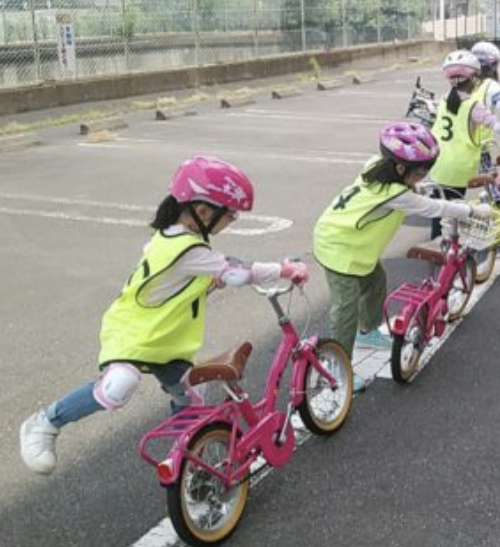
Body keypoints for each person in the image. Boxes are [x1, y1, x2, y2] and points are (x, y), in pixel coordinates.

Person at [18, 156, 309, 475]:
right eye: (231, 215)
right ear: (203, 212)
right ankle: (45, 423)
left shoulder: (176, 236)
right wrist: (285, 269)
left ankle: (186, 461)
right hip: (133, 333)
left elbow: (199, 275)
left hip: (167, 339)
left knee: (192, 397)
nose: (231, 222)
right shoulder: (187, 249)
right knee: (119, 385)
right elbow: (240, 271)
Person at [314, 122, 495, 391]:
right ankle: (336, 371)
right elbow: (433, 207)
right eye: (420, 172)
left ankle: (369, 332)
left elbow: (411, 192)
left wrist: (415, 186)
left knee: (376, 282)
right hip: (337, 248)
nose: (423, 177)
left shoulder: (376, 166)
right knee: (346, 310)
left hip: (350, 243)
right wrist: (471, 211)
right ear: (400, 169)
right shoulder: (396, 193)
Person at [429, 50, 500, 237]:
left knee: (439, 212)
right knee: (453, 215)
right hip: (458, 167)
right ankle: (452, 254)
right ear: (474, 78)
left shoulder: (443, 100)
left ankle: (439, 252)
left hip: (438, 163)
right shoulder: (472, 105)